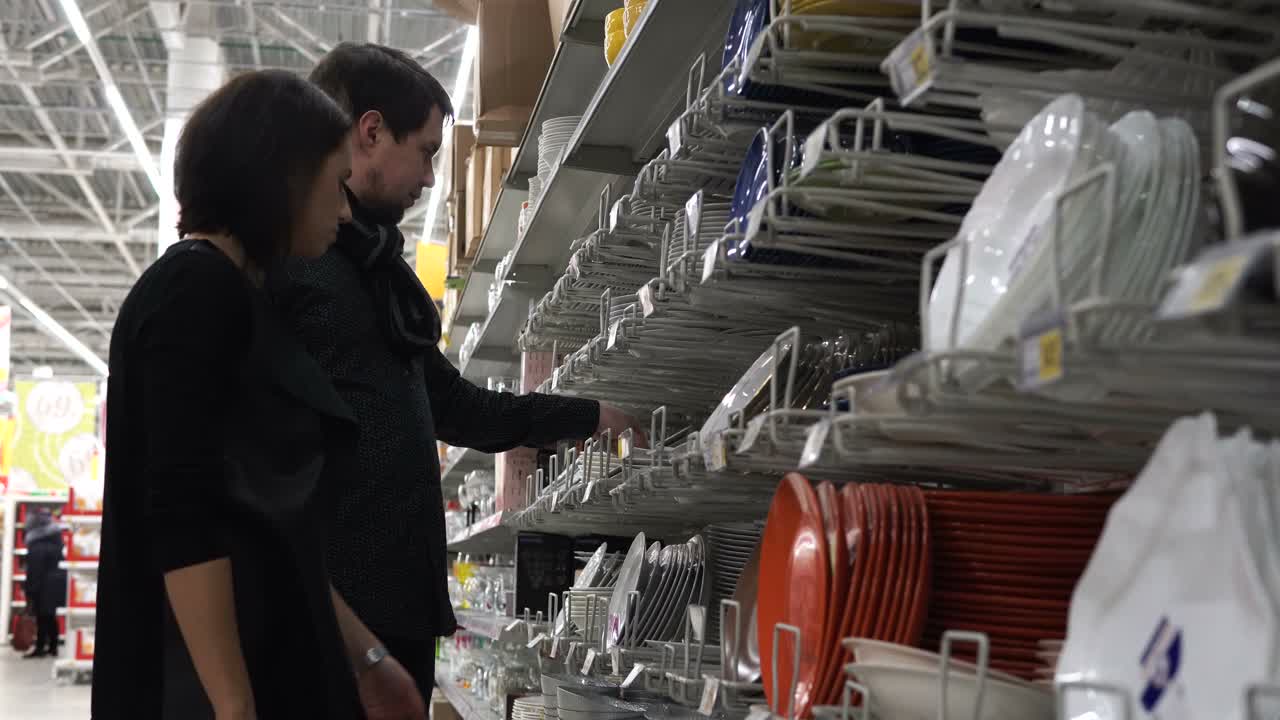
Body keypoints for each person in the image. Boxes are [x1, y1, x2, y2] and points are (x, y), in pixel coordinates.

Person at [278, 43, 646, 704]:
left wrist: (583, 415)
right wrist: (357, 646)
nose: (428, 178)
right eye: (425, 152)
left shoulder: (379, 275)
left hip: (397, 610)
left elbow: (458, 408)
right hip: (340, 623)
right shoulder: (299, 265)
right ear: (370, 131)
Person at [93, 70, 424, 720]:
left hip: (267, 664)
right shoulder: (194, 294)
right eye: (333, 185)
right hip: (205, 684)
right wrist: (233, 704)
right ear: (283, 179)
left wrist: (366, 660)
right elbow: (183, 512)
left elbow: (277, 525)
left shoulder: (238, 296)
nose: (343, 209)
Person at [21, 508, 65, 659]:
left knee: (41, 616)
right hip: (55, 583)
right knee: (50, 616)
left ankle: (40, 647)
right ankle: (52, 647)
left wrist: (29, 590)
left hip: (43, 586)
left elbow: (35, 570)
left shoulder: (37, 543)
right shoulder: (56, 538)